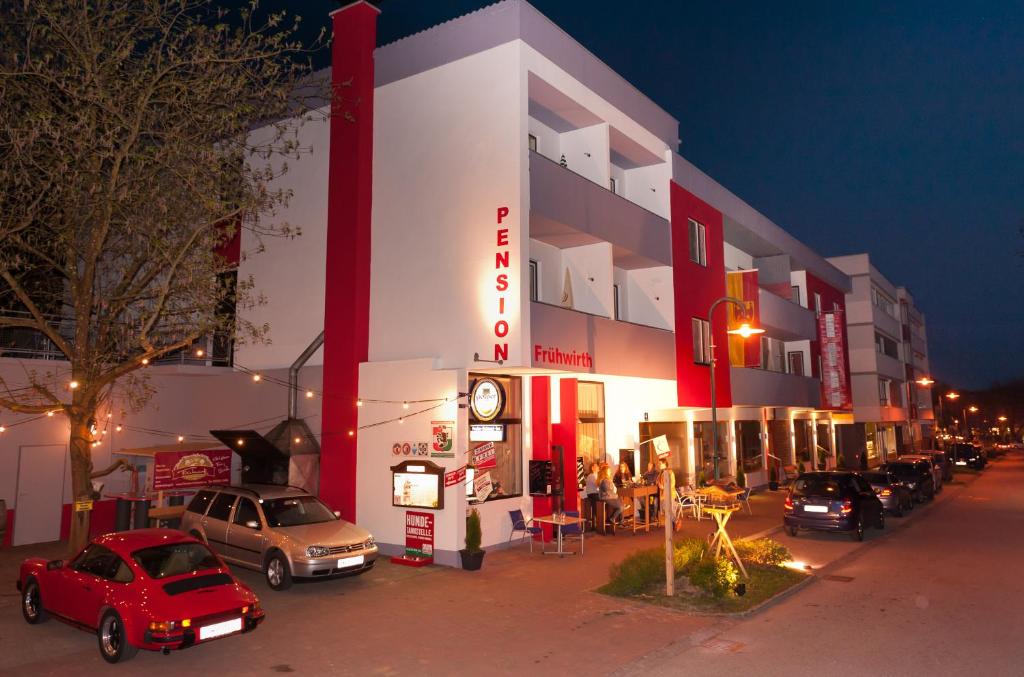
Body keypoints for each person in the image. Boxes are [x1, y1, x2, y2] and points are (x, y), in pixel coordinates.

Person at [584, 462, 600, 531]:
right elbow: (598, 485)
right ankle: (596, 524)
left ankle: (601, 521)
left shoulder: (596, 475)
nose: (598, 467)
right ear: (592, 468)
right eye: (596, 466)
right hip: (592, 494)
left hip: (595, 493)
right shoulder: (591, 476)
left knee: (604, 500)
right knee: (597, 506)